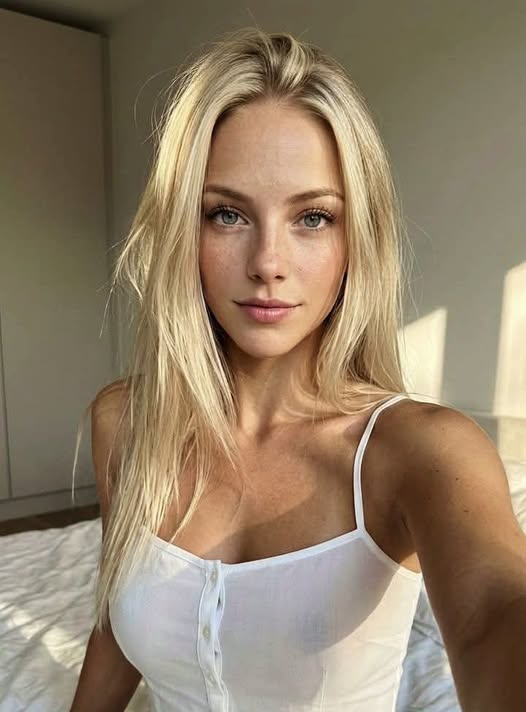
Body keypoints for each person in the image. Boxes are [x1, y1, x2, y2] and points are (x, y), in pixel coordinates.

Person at [69, 27, 526, 712]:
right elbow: (115, 622)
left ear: (357, 237)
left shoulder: (421, 451)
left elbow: (495, 613)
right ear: (181, 230)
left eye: (312, 217)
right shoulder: (125, 421)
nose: (267, 263)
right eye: (227, 214)